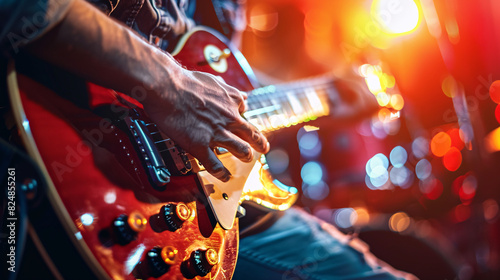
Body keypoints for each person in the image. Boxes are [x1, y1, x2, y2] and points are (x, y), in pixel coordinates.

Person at [0, 0, 416, 279]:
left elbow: (216, 84)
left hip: (197, 203)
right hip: (61, 150)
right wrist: (168, 85)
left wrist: (325, 96)